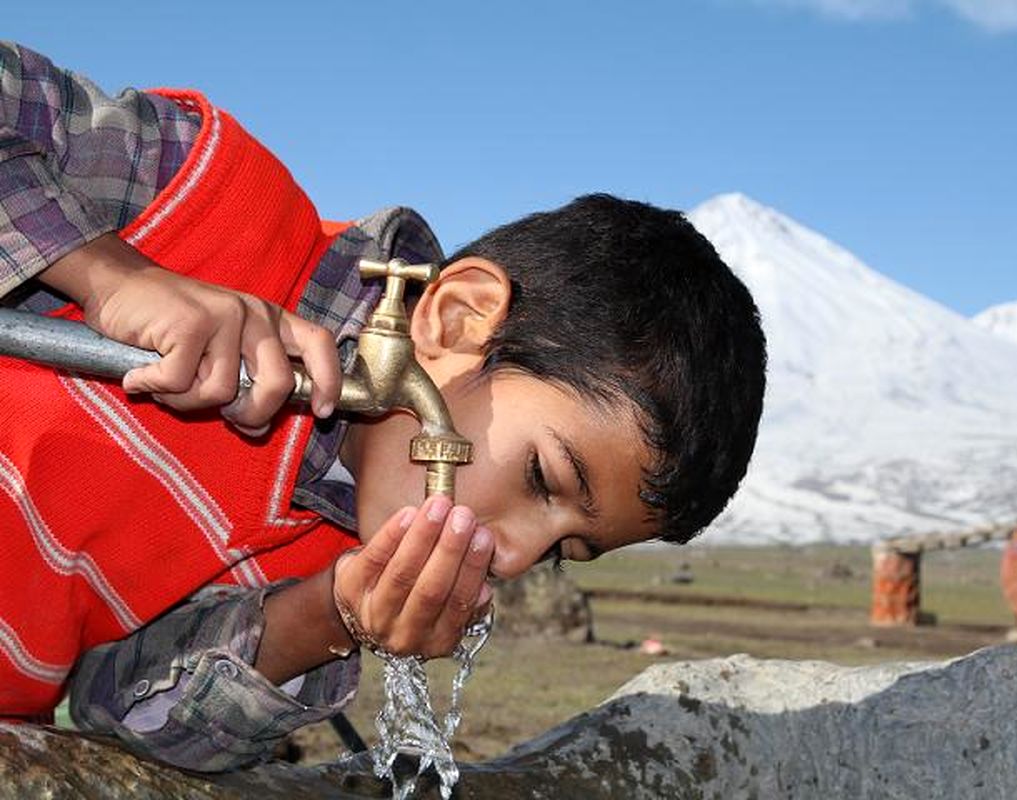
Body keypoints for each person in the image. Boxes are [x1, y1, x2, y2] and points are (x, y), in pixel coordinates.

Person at [0, 42, 766, 769]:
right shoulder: (193, 200)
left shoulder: (325, 553)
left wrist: (327, 615)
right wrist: (107, 274)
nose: (512, 558)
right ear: (457, 318)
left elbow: (117, 717)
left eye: (561, 551)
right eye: (543, 477)